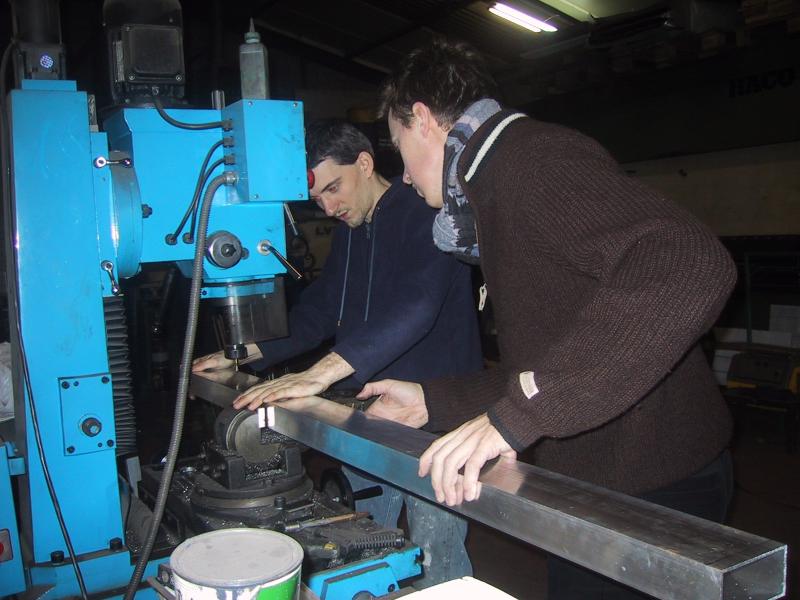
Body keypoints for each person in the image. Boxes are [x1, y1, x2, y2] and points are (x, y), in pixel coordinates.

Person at [357, 39, 737, 599]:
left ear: (422, 120)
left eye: (397, 148)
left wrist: (520, 415)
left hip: (654, 491)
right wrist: (432, 402)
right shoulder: (492, 190)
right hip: (601, 486)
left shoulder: (527, 159)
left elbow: (688, 262)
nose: (406, 177)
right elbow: (545, 366)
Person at [192, 119, 483, 588]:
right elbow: (321, 311)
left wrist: (320, 374)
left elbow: (417, 308)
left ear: (365, 164)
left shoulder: (425, 213)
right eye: (318, 199)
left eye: (334, 188)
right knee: (363, 543)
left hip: (431, 419)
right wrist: (242, 353)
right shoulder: (353, 229)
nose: (327, 207)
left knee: (436, 555)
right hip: (367, 415)